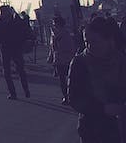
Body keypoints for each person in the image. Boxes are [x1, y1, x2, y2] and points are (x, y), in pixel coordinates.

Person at [68, 14, 126, 143]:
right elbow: (73, 98)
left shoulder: (120, 60)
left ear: (108, 40)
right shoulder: (79, 62)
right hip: (91, 128)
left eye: (94, 41)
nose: (89, 46)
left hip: (118, 127)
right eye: (86, 41)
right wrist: (103, 109)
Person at [0, 4, 32, 99]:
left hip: (5, 48)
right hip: (16, 47)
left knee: (7, 72)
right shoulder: (16, 21)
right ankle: (26, 90)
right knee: (20, 70)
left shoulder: (0, 23)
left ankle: (13, 93)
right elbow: (24, 29)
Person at [49, 15, 76, 105]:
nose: (53, 25)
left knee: (69, 79)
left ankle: (70, 96)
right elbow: (52, 48)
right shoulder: (53, 35)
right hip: (58, 59)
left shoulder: (66, 34)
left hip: (66, 59)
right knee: (62, 80)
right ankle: (66, 96)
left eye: (54, 24)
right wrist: (51, 57)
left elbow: (70, 48)